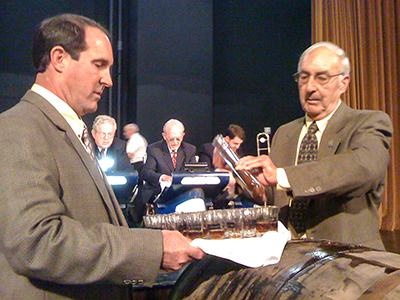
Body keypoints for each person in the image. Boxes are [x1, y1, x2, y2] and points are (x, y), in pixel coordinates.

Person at [0, 14, 203, 299]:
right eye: (99, 65)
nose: (108, 80)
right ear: (59, 58)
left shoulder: (68, 129)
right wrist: (151, 249)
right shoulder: (17, 127)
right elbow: (37, 242)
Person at [236, 41, 392, 250]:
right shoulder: (284, 133)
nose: (310, 87)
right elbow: (278, 194)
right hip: (289, 259)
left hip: (349, 261)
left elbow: (362, 168)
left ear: (343, 83)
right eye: (304, 77)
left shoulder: (368, 122)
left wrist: (281, 175)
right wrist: (248, 181)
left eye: (322, 78)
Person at [141, 119, 197, 203]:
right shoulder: (154, 149)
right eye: (171, 139)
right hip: (160, 192)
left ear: (183, 135)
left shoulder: (190, 150)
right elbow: (146, 173)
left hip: (183, 191)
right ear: (164, 136)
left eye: (178, 139)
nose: (175, 142)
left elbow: (194, 172)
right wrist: (163, 177)